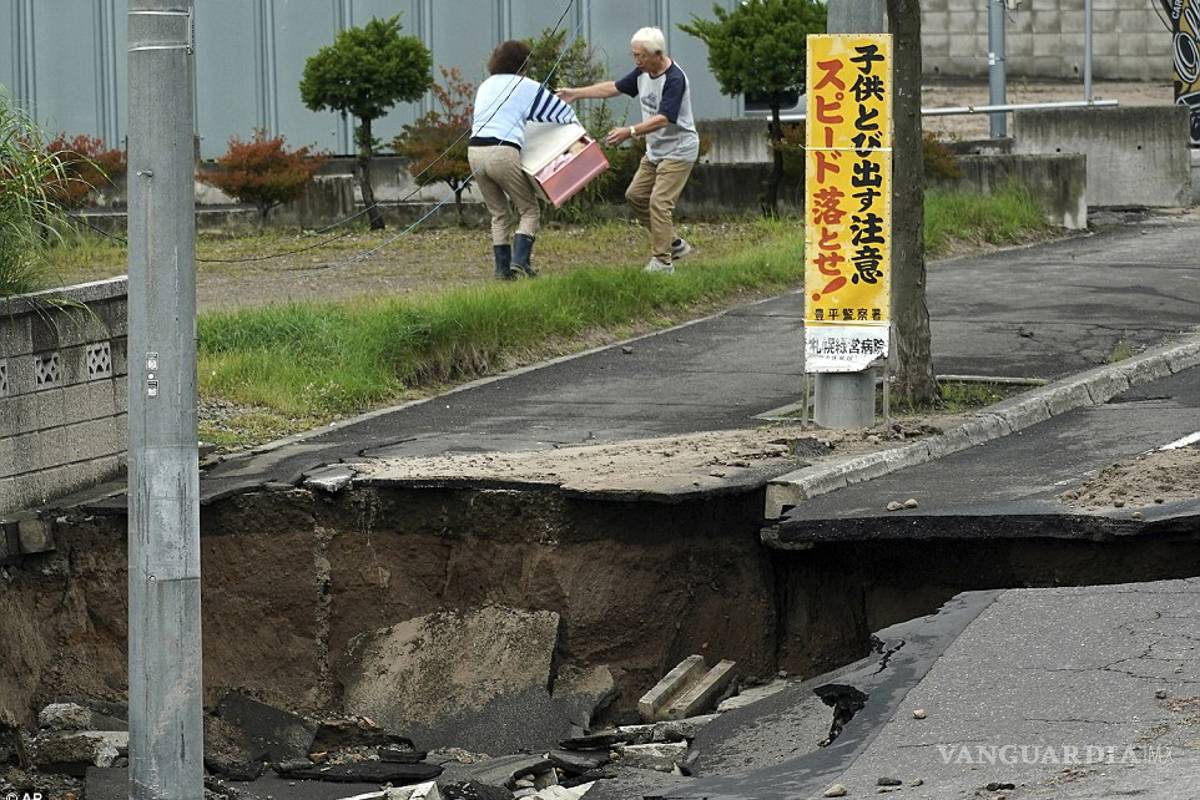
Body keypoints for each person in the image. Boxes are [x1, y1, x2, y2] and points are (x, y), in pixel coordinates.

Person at [557, 26, 700, 274]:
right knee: (635, 196)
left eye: (640, 56)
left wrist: (630, 131)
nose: (636, 60)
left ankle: (663, 262)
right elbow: (612, 88)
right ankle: (673, 244)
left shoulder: (674, 79)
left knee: (659, 202)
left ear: (656, 54)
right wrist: (576, 94)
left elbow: (664, 118)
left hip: (679, 150)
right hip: (655, 150)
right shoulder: (642, 73)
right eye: (634, 55)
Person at [469, 40, 579, 279]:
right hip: (502, 152)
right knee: (529, 209)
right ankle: (521, 262)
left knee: (499, 214)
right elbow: (563, 113)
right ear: (523, 63)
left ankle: (501, 272)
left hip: (475, 152)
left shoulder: (486, 85)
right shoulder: (526, 85)